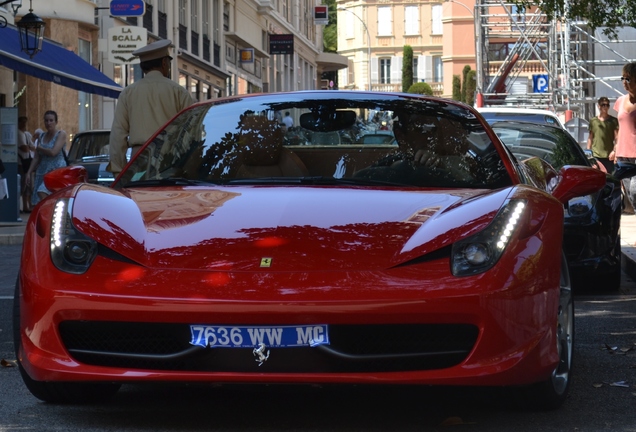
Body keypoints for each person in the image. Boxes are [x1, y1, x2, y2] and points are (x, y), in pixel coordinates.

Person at [108, 39, 193, 175]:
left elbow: (118, 136)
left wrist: (119, 171)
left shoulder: (128, 93)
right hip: (171, 161)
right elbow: (192, 131)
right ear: (164, 63)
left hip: (139, 162)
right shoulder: (178, 92)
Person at [25, 111, 68, 206]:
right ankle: (45, 217)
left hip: (55, 170)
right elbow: (36, 157)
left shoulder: (61, 134)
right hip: (42, 170)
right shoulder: (42, 136)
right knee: (39, 199)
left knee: (42, 191)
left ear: (56, 122)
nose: (48, 123)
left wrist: (40, 148)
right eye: (46, 121)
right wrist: (29, 172)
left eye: (51, 120)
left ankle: (49, 215)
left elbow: (53, 152)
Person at [610, 62, 636, 214]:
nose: (624, 82)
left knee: (635, 191)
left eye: (628, 79)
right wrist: (615, 149)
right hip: (623, 156)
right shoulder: (620, 101)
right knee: (630, 198)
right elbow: (621, 128)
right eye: (623, 78)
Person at [587, 97, 619, 173]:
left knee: (609, 179)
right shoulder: (593, 121)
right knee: (596, 178)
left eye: (607, 105)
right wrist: (588, 154)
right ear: (599, 106)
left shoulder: (613, 121)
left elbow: (617, 138)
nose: (605, 107)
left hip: (609, 156)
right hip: (596, 155)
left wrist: (614, 151)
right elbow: (590, 138)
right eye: (603, 105)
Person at [17, 116, 36, 212]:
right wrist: (28, 147)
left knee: (27, 185)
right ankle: (20, 206)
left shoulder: (26, 134)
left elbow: (32, 148)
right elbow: (25, 148)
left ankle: (25, 206)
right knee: (22, 184)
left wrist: (28, 147)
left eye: (25, 122)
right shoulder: (19, 134)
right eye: (22, 122)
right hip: (21, 162)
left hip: (26, 161)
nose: (24, 124)